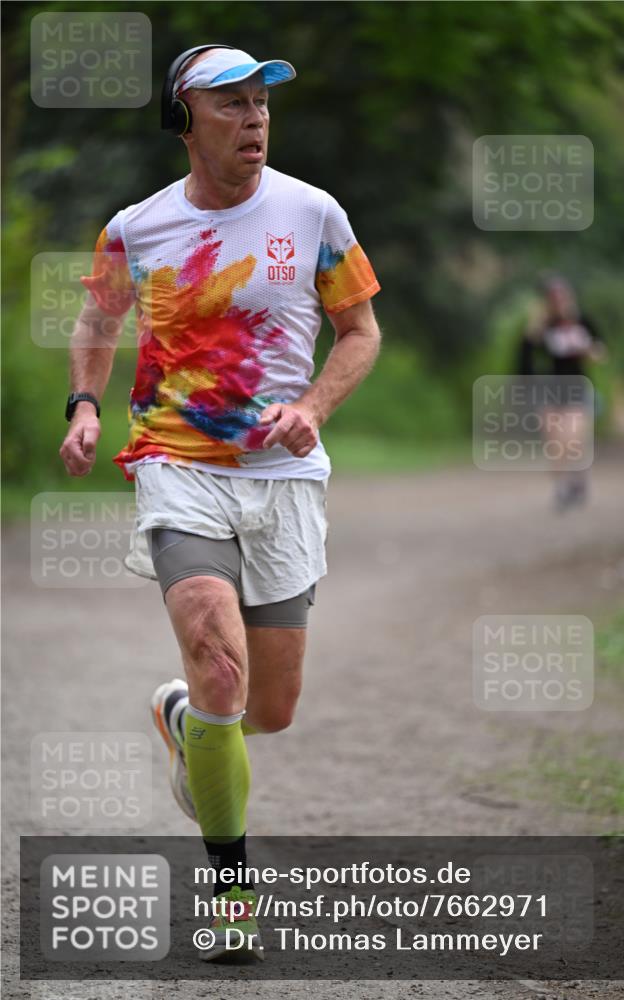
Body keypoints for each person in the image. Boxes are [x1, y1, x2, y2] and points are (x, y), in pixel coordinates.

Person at [59, 44, 381, 960]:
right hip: (176, 462)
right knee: (219, 663)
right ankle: (232, 896)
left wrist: (313, 405)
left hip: (282, 481)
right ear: (186, 120)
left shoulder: (313, 212)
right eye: (232, 104)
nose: (254, 119)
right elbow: (97, 318)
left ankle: (180, 720)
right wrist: (84, 405)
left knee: (266, 710)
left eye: (262, 104)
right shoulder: (136, 226)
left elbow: (360, 330)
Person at [517, 273, 606, 511]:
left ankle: (577, 477)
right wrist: (532, 331)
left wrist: (587, 349)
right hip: (550, 389)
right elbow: (524, 361)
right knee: (555, 441)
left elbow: (600, 353)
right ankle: (561, 486)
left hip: (577, 386)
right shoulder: (541, 327)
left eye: (561, 297)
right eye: (553, 298)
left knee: (573, 439)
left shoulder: (582, 322)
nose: (558, 302)